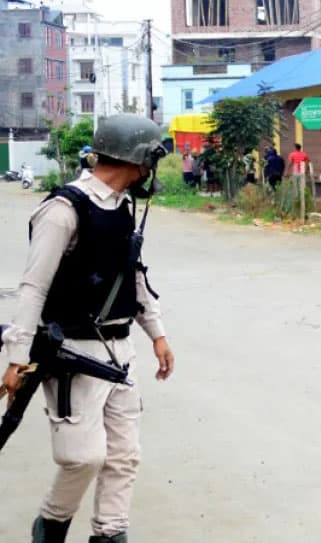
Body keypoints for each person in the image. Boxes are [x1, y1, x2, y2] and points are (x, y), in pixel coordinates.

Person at [1, 113, 175, 543]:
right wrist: (17, 357)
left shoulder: (121, 209)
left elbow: (133, 275)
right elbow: (33, 287)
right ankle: (51, 524)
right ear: (137, 159)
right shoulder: (63, 210)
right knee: (82, 458)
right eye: (151, 160)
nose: (152, 171)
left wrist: (157, 333)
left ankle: (110, 533)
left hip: (120, 351)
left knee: (123, 457)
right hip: (72, 355)